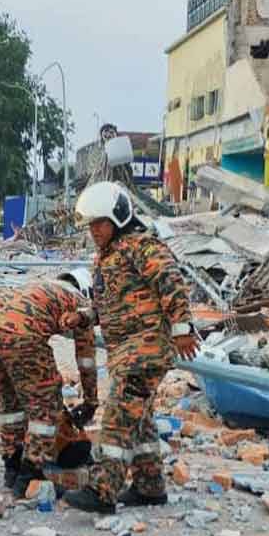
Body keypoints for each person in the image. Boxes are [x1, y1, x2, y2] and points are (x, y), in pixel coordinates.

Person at [60, 181, 199, 515]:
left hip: (146, 351)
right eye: (90, 225)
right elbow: (109, 306)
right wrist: (83, 317)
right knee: (141, 421)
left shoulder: (142, 246)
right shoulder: (105, 260)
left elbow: (171, 282)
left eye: (100, 223)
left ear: (118, 219)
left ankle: (102, 490)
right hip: (126, 353)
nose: (94, 231)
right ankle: (150, 487)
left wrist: (182, 327)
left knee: (118, 418)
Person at [0, 269, 99, 497]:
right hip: (22, 336)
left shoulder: (40, 287)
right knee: (46, 407)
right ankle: (30, 474)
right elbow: (86, 359)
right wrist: (91, 400)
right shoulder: (80, 304)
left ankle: (11, 466)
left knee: (10, 405)